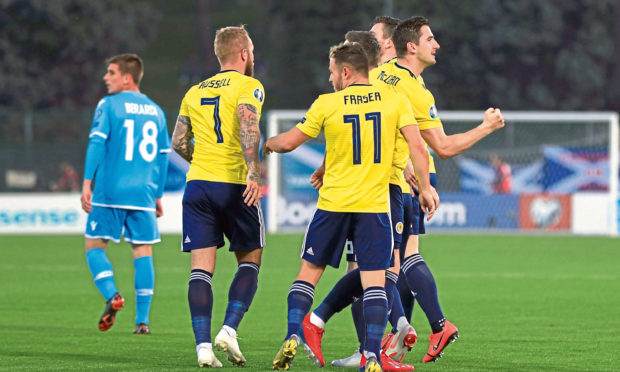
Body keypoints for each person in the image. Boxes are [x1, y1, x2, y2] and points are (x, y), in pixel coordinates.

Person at [266, 42, 437, 372]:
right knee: (375, 283)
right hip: (374, 207)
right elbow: (417, 145)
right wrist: (426, 188)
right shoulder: (394, 101)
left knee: (307, 276)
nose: (330, 78)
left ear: (346, 71)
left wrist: (268, 146)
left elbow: (287, 142)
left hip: (333, 205)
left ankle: (292, 333)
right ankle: (371, 355)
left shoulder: (327, 104)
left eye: (332, 71)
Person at [371, 16, 506, 363]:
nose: (437, 44)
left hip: (397, 181)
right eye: (430, 38)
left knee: (389, 264)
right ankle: (416, 331)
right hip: (402, 180)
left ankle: (404, 333)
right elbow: (443, 147)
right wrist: (486, 128)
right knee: (395, 264)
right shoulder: (415, 90)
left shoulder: (380, 74)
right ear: (411, 46)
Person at [308, 30, 420, 372]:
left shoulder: (389, 87)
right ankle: (373, 345)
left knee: (377, 268)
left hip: (386, 188)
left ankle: (365, 343)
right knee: (380, 268)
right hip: (378, 190)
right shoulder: (387, 89)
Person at [171, 25, 265, 368]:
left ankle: (202, 348)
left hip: (197, 186)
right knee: (250, 259)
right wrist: (253, 172)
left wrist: (203, 164)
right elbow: (247, 126)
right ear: (243, 53)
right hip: (234, 184)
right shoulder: (248, 86)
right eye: (251, 50)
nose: (253, 56)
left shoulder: (194, 92)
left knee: (200, 271)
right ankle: (228, 329)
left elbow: (179, 143)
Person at [81, 54, 170, 335]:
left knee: (94, 246)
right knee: (142, 250)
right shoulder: (157, 111)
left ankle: (112, 295)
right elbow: (163, 158)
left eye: (111, 73)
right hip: (143, 192)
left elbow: (97, 143)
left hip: (111, 190)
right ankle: (142, 322)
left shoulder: (108, 105)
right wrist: (157, 194)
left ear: (127, 77)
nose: (106, 78)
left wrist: (86, 183)